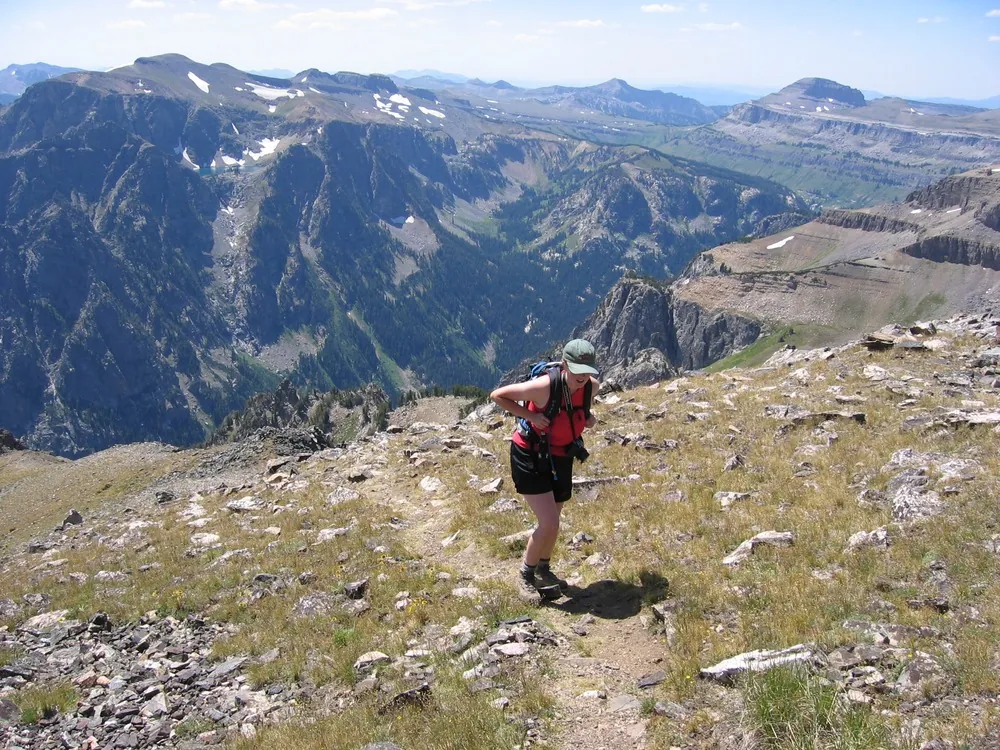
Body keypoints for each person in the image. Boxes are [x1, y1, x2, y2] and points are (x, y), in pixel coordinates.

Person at [490, 339, 600, 599]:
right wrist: (530, 416)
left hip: (561, 456)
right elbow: (498, 395)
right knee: (549, 522)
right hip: (530, 455)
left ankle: (544, 569)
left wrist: (589, 416)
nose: (582, 377)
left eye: (587, 371)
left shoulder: (590, 387)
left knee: (554, 521)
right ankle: (525, 576)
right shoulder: (544, 387)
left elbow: (579, 410)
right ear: (564, 365)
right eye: (576, 371)